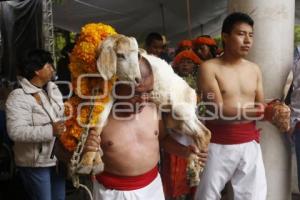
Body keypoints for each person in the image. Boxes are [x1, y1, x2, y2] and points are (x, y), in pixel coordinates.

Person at [83, 56, 208, 200]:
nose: (143, 99)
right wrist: (87, 150)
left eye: (148, 92)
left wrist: (185, 151)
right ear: (116, 86)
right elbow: (64, 153)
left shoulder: (154, 108)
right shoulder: (97, 117)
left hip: (152, 189)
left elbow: (162, 139)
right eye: (136, 93)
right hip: (112, 193)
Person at [195, 12, 267, 200]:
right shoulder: (209, 68)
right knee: (206, 196)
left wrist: (257, 111)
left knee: (254, 196)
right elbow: (216, 110)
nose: (247, 40)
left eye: (251, 35)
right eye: (241, 34)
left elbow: (261, 107)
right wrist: (255, 111)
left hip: (249, 142)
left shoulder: (254, 69)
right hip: (217, 143)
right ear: (225, 37)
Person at [5, 49, 66, 200]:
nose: (52, 68)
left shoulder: (52, 89)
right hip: (35, 164)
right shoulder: (18, 97)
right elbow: (15, 131)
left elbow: (60, 116)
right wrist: (50, 130)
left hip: (57, 159)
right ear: (37, 71)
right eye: (48, 65)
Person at [161, 49, 202, 200]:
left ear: (194, 66)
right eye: (183, 62)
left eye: (189, 62)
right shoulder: (170, 81)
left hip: (194, 130)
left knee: (194, 172)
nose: (185, 65)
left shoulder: (200, 82)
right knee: (174, 174)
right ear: (177, 65)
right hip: (175, 132)